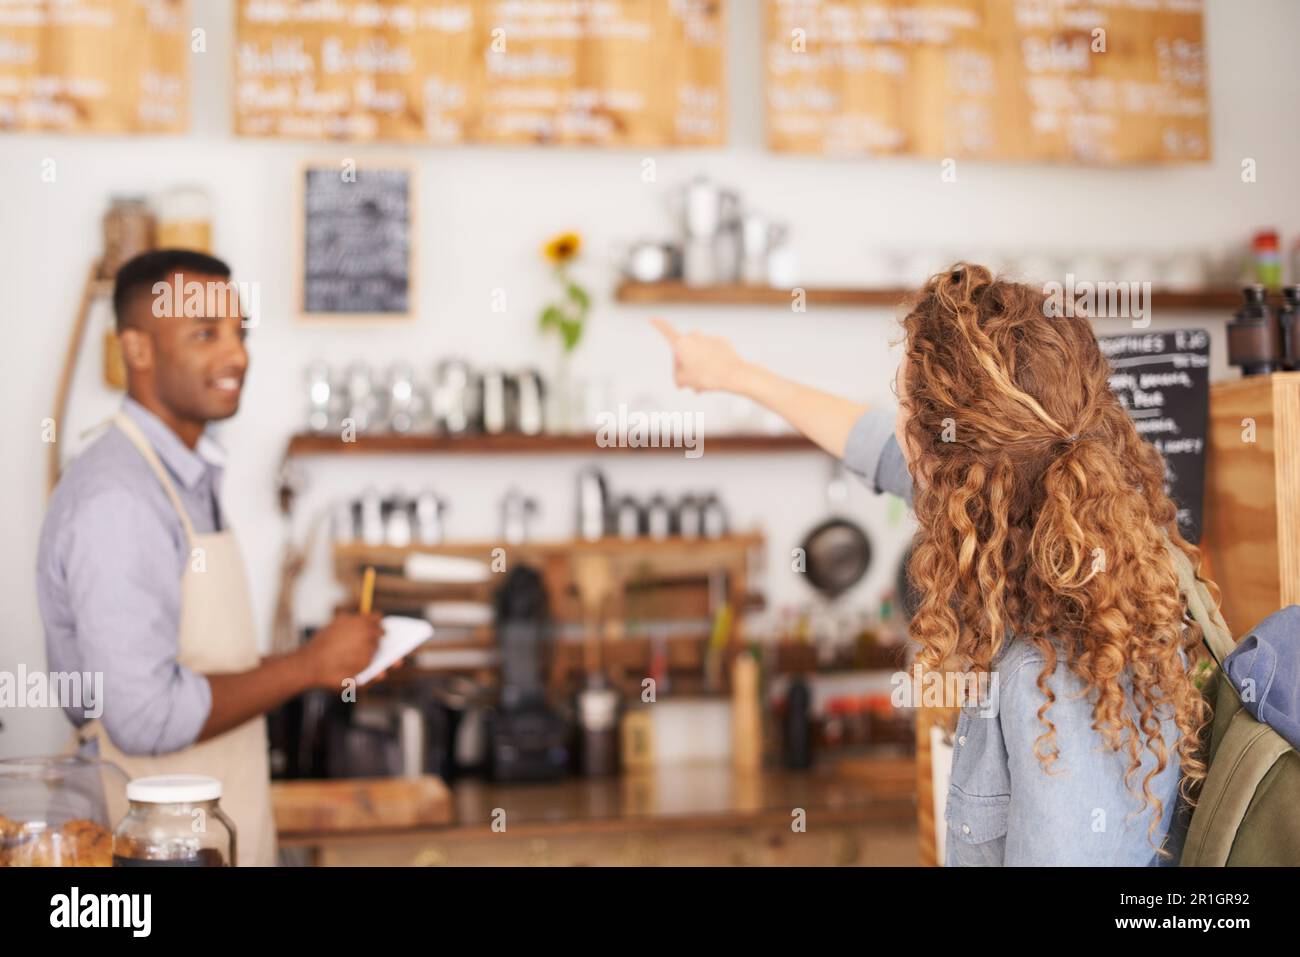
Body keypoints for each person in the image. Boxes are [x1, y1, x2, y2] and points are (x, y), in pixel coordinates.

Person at [653, 263, 1216, 865]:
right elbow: (867, 440)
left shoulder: (1049, 682)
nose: (895, 422)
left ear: (946, 464)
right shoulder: (1081, 539)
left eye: (903, 404)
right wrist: (734, 374)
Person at [37, 249, 385, 866]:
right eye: (206, 333)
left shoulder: (185, 476)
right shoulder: (118, 496)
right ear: (137, 351)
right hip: (151, 853)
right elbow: (145, 719)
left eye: (239, 332)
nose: (237, 355)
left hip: (209, 840)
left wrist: (328, 658)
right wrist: (310, 664)